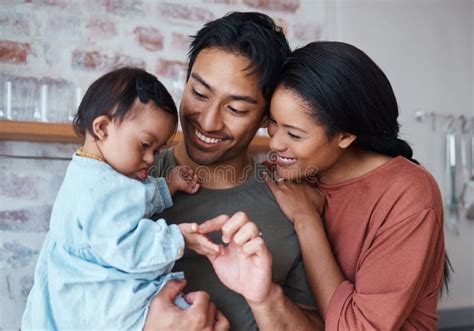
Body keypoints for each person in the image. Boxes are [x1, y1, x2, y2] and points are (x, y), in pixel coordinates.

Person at [21, 67, 232, 330]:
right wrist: (178, 238)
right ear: (102, 128)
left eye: (158, 150)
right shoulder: (99, 189)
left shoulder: (93, 175)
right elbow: (126, 246)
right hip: (98, 302)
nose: (151, 159)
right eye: (145, 145)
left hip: (80, 296)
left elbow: (128, 204)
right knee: (190, 313)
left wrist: (168, 186)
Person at [150, 11, 322, 330]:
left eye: (236, 109)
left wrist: (266, 298)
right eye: (199, 94)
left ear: (265, 118)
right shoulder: (127, 181)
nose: (209, 121)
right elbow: (58, 301)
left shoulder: (290, 202)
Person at [264, 41, 450, 330]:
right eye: (273, 122)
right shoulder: (297, 173)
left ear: (345, 137)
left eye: (295, 134)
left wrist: (306, 219)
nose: (275, 143)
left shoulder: (408, 193)